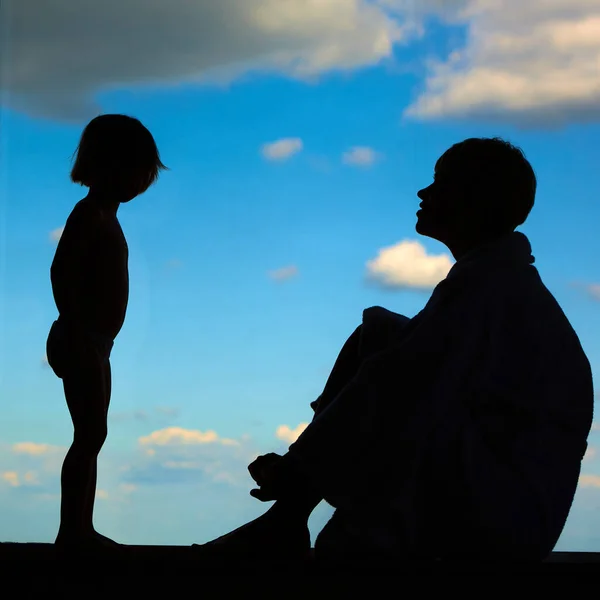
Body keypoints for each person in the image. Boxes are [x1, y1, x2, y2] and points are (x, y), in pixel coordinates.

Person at [196, 137, 594, 563]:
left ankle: (288, 514)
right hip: (506, 511)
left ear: (476, 200)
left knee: (386, 361)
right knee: (379, 333)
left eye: (441, 183)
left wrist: (297, 466)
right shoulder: (498, 287)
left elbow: (391, 387)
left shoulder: (486, 292)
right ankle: (287, 516)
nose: (424, 193)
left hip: (489, 524)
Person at [46, 114, 167, 549]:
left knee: (93, 435)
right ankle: (72, 532)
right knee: (89, 434)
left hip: (97, 343)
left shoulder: (106, 218)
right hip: (81, 339)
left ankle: (81, 527)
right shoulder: (90, 215)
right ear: (109, 166)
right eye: (136, 171)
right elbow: (61, 272)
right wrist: (77, 327)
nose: (140, 182)